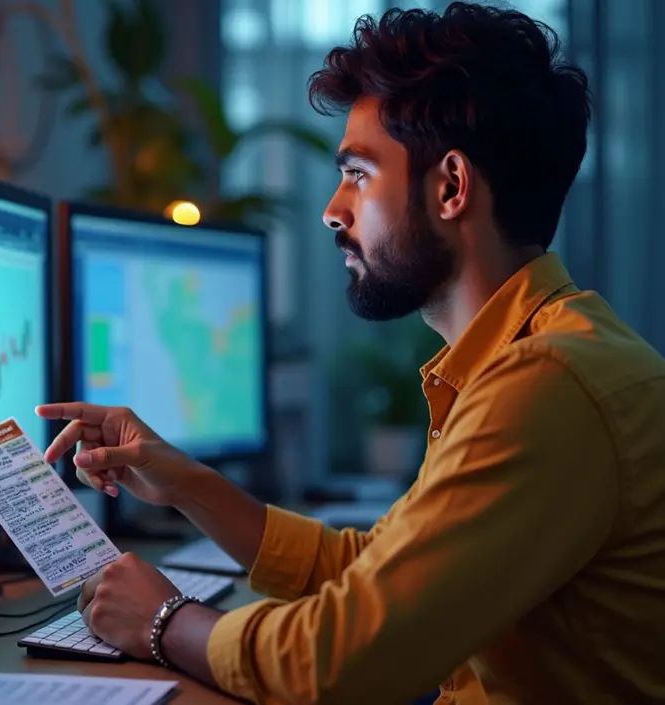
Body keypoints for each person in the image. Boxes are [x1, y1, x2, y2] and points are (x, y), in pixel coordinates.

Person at [37, 3, 665, 704]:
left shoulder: (545, 384)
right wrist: (184, 482)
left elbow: (339, 661)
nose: (333, 209)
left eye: (358, 174)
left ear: (450, 187)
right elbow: (369, 572)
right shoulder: (530, 356)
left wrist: (162, 620)